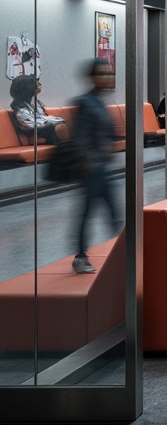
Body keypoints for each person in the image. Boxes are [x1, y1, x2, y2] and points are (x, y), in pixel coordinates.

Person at [70, 59, 121, 274]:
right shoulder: (85, 102)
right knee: (89, 212)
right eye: (102, 74)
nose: (107, 78)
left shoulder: (99, 101)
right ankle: (80, 256)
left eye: (109, 74)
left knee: (112, 211)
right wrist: (88, 161)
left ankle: (124, 253)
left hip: (101, 166)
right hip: (92, 169)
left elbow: (106, 132)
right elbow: (79, 137)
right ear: (91, 77)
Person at [9, 74, 67, 146]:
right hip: (33, 130)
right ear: (28, 89)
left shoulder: (34, 102)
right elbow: (31, 124)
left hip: (40, 126)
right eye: (36, 84)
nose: (39, 85)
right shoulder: (20, 108)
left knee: (61, 124)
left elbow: (41, 116)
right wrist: (52, 121)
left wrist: (54, 119)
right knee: (58, 127)